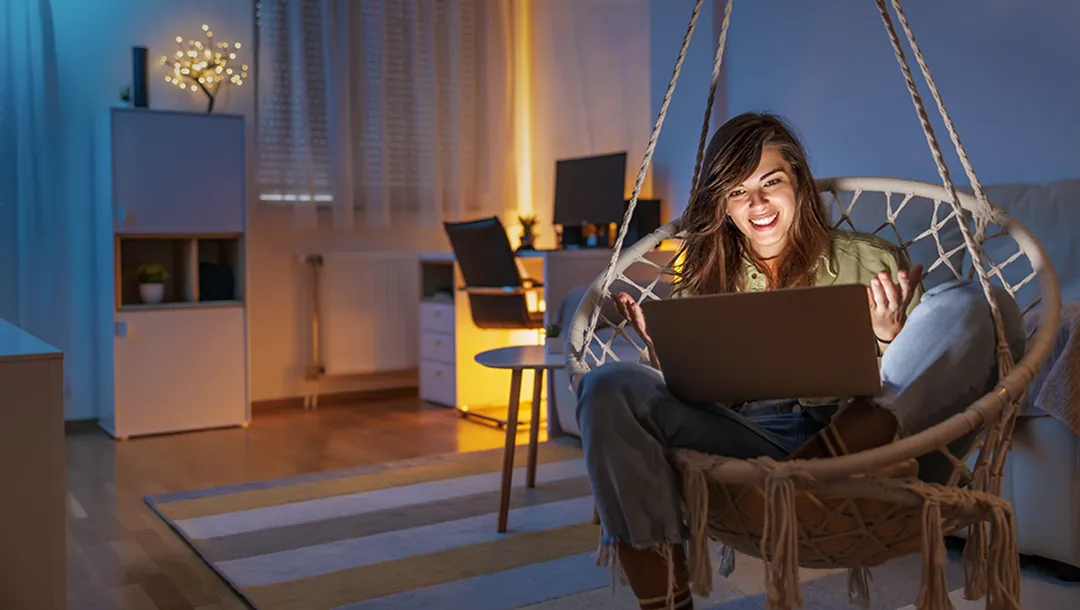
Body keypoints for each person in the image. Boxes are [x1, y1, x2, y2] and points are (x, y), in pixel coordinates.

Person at [574, 112, 1027, 610]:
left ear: (799, 184)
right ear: (722, 204)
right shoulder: (703, 280)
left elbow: (928, 381)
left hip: (866, 453)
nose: (758, 204)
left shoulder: (871, 260)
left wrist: (889, 337)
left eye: (772, 182)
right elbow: (702, 406)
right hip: (753, 447)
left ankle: (814, 470)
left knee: (982, 304)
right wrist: (667, 361)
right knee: (607, 386)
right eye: (738, 191)